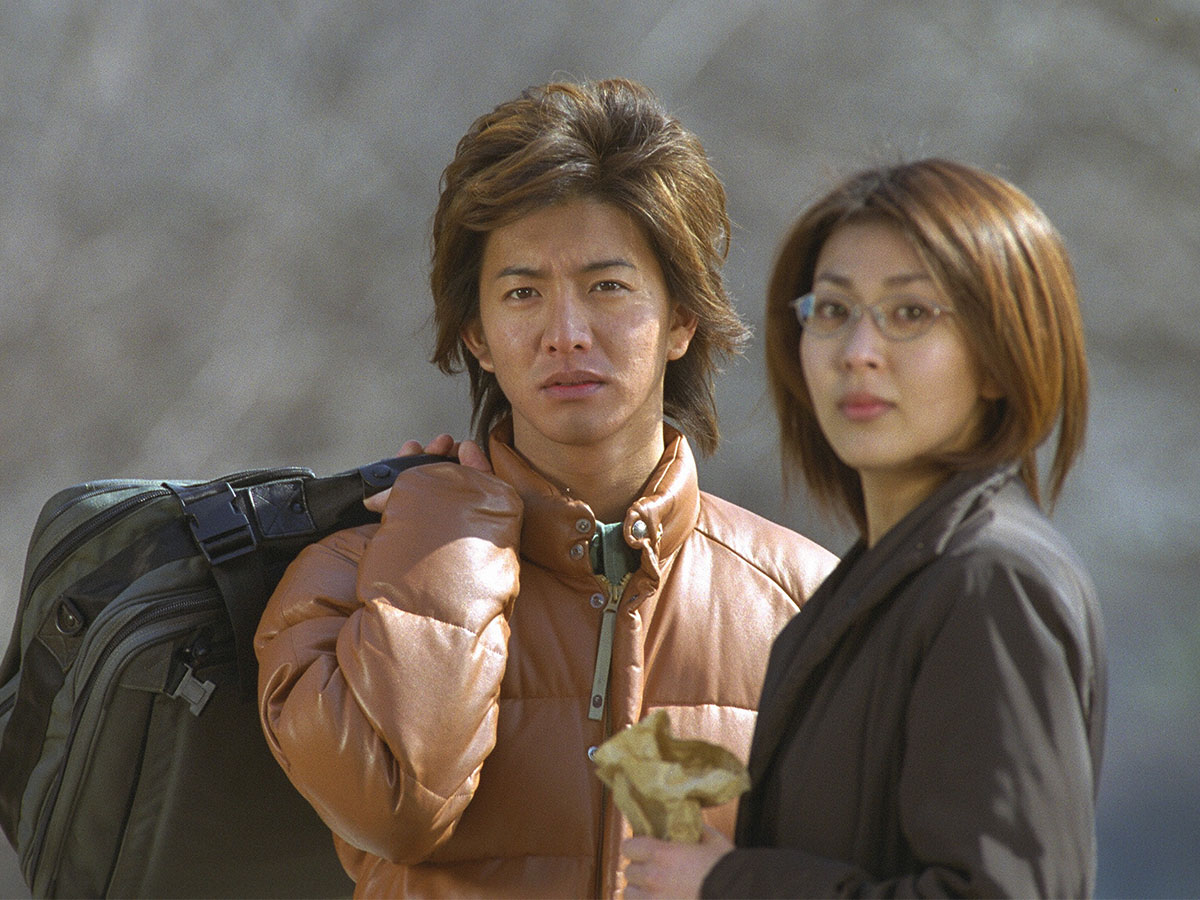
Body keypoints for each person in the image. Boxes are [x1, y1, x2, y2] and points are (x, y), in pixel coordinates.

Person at [253, 78, 837, 899]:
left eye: (608, 287)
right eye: (523, 293)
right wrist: (441, 550)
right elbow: (391, 810)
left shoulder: (810, 607)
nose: (566, 334)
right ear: (478, 336)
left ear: (681, 320)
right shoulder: (343, 582)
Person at [622, 158, 1107, 898]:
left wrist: (732, 885)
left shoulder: (990, 584)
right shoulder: (879, 584)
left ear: (999, 358)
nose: (857, 352)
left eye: (910, 313)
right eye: (833, 310)